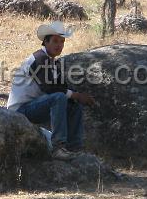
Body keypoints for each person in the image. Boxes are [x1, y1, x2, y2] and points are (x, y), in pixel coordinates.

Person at [7, 21, 95, 160]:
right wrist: (77, 95)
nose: (59, 45)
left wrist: (76, 97)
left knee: (73, 104)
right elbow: (48, 88)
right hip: (20, 111)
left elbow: (62, 87)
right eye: (55, 41)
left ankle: (74, 147)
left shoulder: (54, 63)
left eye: (62, 41)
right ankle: (58, 147)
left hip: (36, 106)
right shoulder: (38, 59)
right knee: (59, 97)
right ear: (45, 42)